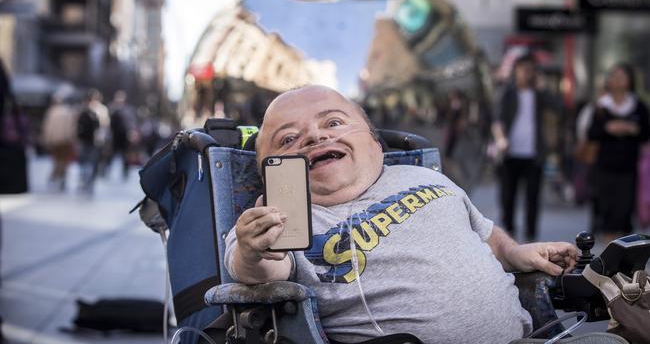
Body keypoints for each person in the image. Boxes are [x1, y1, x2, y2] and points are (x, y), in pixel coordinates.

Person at [225, 85, 577, 344]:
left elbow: (483, 232)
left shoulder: (425, 177)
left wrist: (515, 253)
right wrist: (254, 251)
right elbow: (259, 270)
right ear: (266, 171)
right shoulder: (271, 219)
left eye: (333, 122)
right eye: (288, 140)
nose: (315, 136)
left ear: (375, 144)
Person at [492, 54, 560, 241]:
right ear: (516, 71)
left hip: (534, 155)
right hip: (510, 153)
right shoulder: (507, 92)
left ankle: (531, 234)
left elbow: (559, 108)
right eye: (523, 69)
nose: (527, 74)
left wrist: (544, 89)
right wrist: (501, 139)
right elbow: (497, 120)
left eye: (531, 70)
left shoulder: (539, 94)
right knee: (508, 197)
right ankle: (509, 233)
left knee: (532, 197)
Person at [588, 63, 650, 241]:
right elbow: (592, 133)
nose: (617, 80)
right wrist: (609, 128)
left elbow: (645, 133)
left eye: (622, 76)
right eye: (614, 76)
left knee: (624, 205)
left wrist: (631, 129)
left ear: (630, 81)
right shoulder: (601, 107)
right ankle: (608, 241)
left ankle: (622, 241)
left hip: (628, 165)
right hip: (605, 164)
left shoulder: (638, 106)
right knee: (605, 203)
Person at [41, 93, 77, 191]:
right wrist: (71, 139)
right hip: (65, 140)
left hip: (55, 140)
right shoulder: (69, 112)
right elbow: (72, 128)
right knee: (64, 161)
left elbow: (48, 128)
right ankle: (61, 178)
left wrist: (47, 139)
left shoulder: (52, 112)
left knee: (57, 160)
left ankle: (55, 178)